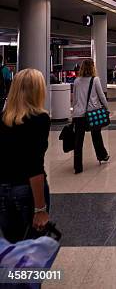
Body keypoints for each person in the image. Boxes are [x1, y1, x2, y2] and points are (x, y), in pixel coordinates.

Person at [0, 69, 50, 242]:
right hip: (27, 190)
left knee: (12, 247)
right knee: (33, 249)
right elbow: (34, 165)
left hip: (3, 189)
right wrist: (40, 209)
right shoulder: (40, 119)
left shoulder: (3, 118)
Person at [72, 58, 109, 174]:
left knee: (78, 141)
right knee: (96, 135)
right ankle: (102, 155)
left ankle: (78, 167)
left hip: (79, 115)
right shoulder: (95, 80)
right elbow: (101, 96)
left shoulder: (77, 81)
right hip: (92, 113)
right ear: (93, 67)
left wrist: (74, 112)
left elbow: (75, 99)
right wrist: (107, 108)